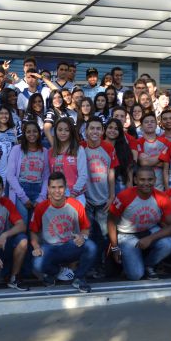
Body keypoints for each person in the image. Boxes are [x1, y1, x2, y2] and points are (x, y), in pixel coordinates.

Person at [107, 167, 171, 281]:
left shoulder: (162, 197)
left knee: (169, 243)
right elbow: (111, 221)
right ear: (135, 180)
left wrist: (150, 238)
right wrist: (115, 247)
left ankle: (148, 265)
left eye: (150, 179)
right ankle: (129, 264)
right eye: (142, 179)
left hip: (150, 230)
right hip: (127, 234)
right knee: (135, 275)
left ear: (155, 180)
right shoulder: (124, 196)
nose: (146, 183)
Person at [30, 172, 97, 293]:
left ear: (65, 188)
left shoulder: (76, 205)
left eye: (60, 187)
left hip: (70, 246)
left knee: (91, 246)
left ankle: (79, 278)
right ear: (48, 189)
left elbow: (85, 227)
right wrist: (36, 247)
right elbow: (33, 231)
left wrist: (82, 236)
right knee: (37, 263)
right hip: (50, 248)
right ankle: (56, 272)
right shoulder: (41, 207)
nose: (57, 191)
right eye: (53, 187)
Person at [82, 117, 118, 274]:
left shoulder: (108, 148)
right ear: (86, 131)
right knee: (88, 234)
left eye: (98, 128)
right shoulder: (81, 147)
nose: (95, 131)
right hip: (87, 200)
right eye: (92, 128)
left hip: (104, 199)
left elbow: (111, 172)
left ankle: (101, 265)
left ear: (102, 131)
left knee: (103, 235)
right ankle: (89, 266)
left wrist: (111, 196)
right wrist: (81, 197)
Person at [6, 121, 49, 225]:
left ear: (39, 133)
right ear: (24, 134)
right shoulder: (16, 149)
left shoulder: (44, 151)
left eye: (35, 131)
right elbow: (10, 176)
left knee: (35, 224)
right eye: (28, 132)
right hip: (20, 189)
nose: (32, 134)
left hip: (38, 190)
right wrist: (23, 197)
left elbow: (46, 176)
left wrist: (42, 197)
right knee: (23, 222)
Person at [47, 118, 88, 205]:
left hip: (76, 195)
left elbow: (83, 175)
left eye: (67, 130)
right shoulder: (51, 151)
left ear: (71, 132)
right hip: (56, 194)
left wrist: (73, 194)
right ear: (55, 132)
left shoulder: (78, 149)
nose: (63, 133)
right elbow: (49, 175)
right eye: (60, 130)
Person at [136, 112, 171, 191]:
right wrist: (163, 156)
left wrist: (149, 160)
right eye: (146, 122)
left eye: (152, 121)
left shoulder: (166, 142)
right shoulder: (138, 143)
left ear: (156, 125)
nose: (149, 123)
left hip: (162, 185)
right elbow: (143, 162)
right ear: (141, 127)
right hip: (144, 185)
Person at [104, 118, 133, 192]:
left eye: (116, 129)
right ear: (105, 129)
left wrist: (129, 192)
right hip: (101, 184)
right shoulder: (98, 146)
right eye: (110, 127)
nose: (112, 130)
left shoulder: (124, 148)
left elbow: (128, 173)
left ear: (120, 132)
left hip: (119, 185)